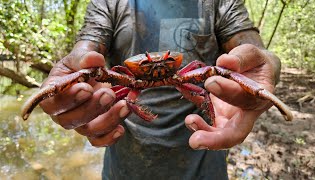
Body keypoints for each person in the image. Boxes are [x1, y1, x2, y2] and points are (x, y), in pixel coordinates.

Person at [39, 0, 281, 179]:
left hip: (204, 157)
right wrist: (72, 79)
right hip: (124, 163)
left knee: (210, 76)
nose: (156, 66)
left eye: (165, 60)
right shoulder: (109, 3)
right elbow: (86, 55)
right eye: (148, 62)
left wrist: (266, 66)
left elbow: (254, 52)